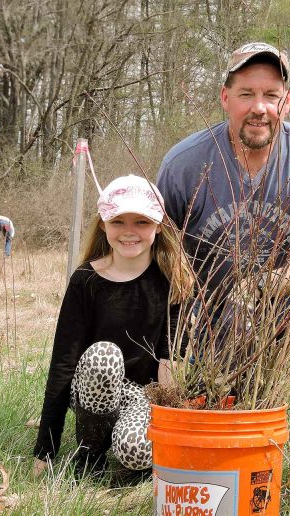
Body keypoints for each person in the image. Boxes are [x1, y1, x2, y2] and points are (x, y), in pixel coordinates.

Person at [156, 42, 290, 487]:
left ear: (286, 101)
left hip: (289, 306)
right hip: (211, 320)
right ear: (224, 98)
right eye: (247, 93)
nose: (260, 108)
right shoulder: (184, 163)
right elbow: (159, 256)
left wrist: (264, 285)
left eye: (271, 95)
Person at [32, 175, 194, 480]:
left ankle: (128, 456)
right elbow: (63, 363)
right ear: (103, 224)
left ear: (158, 225)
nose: (129, 232)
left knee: (136, 449)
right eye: (118, 221)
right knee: (104, 356)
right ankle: (90, 454)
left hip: (141, 393)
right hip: (91, 384)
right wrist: (45, 449)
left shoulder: (173, 280)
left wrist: (169, 433)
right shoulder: (85, 281)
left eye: (141, 222)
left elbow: (170, 360)